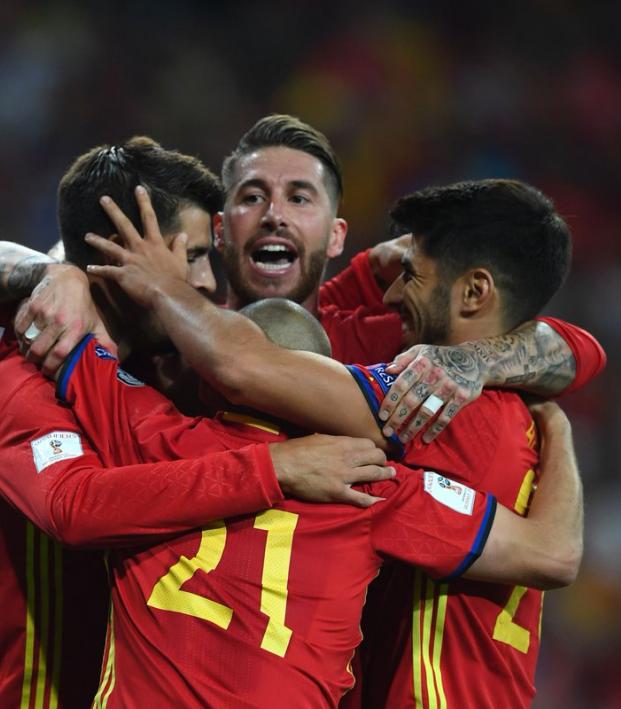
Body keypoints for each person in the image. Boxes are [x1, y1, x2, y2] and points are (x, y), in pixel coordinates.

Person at [85, 179, 599, 707]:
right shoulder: (515, 413)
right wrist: (557, 427)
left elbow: (246, 364)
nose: (393, 294)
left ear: (474, 292)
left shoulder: (434, 406)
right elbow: (583, 352)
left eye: (411, 275)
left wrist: (158, 285)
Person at [0, 138, 393, 708]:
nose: (206, 285)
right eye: (188, 259)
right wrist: (51, 272)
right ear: (121, 252)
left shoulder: (189, 370)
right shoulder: (27, 366)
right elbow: (74, 506)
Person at [0, 115, 604, 425]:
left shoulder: (373, 333)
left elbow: (578, 350)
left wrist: (470, 361)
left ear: (337, 236)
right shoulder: (156, 329)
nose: (273, 217)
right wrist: (59, 275)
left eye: (300, 198)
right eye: (252, 195)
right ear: (218, 227)